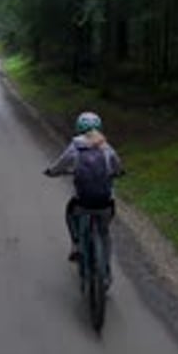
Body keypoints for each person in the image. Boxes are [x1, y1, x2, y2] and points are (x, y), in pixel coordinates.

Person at [43, 111, 123, 267]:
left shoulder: (75, 146)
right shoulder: (106, 147)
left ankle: (76, 245)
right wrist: (118, 172)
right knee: (104, 231)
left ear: (78, 128)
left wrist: (51, 172)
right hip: (105, 203)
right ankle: (105, 268)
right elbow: (117, 167)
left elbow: (60, 164)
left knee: (70, 211)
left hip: (82, 203)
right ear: (99, 127)